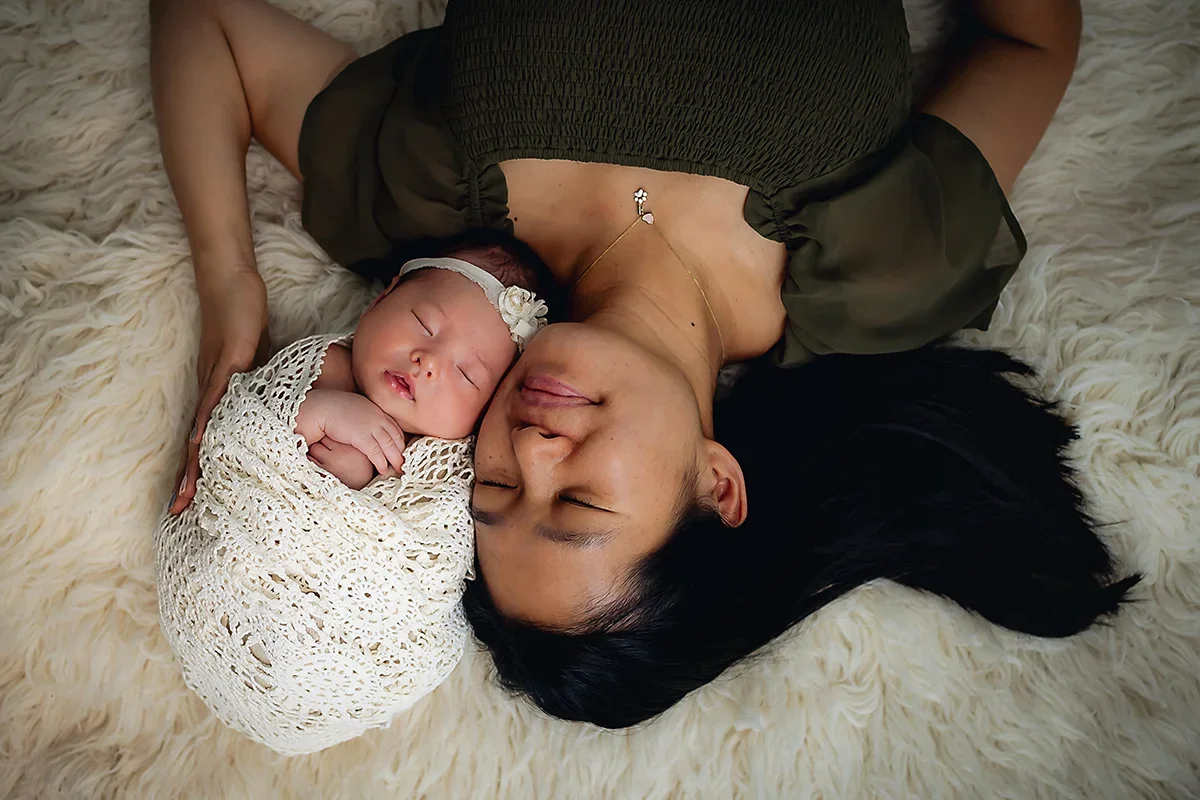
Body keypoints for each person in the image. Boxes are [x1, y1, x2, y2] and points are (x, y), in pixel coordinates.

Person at [152, 0, 1136, 729]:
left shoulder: (430, 213)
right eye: (577, 502)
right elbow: (1032, 38)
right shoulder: (887, 269)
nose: (533, 446)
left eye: (497, 483)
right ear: (717, 481)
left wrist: (231, 287)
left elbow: (209, 27)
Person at [155, 249, 549, 754]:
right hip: (230, 573)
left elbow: (438, 563)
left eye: (467, 375)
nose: (428, 363)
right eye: (423, 324)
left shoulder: (451, 468)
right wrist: (314, 413)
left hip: (342, 642)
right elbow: (237, 427)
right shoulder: (326, 366)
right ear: (380, 300)